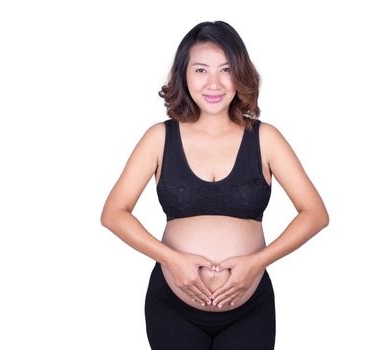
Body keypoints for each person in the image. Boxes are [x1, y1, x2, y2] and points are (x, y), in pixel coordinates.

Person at [100, 20, 329, 350]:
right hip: (172, 308)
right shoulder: (159, 138)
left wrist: (258, 262)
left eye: (225, 69)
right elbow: (113, 214)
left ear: (240, 74)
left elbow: (315, 213)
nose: (214, 83)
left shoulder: (265, 138)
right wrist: (171, 259)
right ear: (184, 75)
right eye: (201, 70)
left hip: (249, 310)